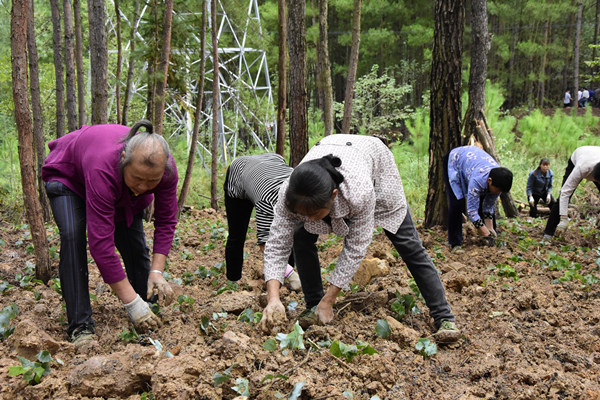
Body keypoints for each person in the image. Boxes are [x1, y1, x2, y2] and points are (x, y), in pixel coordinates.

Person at [259, 134, 460, 342]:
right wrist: (273, 298)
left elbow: (355, 247)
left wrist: (330, 299)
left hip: (376, 167)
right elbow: (276, 245)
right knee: (301, 234)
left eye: (314, 214)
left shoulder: (359, 192)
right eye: (303, 214)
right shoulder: (289, 193)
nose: (308, 219)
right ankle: (313, 305)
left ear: (334, 196)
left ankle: (444, 316)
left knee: (408, 244)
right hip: (331, 151)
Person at [42, 120, 178, 345]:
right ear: (124, 158)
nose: (143, 187)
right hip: (69, 177)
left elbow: (166, 220)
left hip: (118, 187)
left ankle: (146, 306)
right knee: (73, 235)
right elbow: (101, 246)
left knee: (133, 242)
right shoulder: (103, 167)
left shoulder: (165, 170)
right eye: (138, 178)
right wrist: (131, 304)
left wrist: (156, 271)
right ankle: (80, 326)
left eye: (151, 181)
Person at [224, 153, 301, 290]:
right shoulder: (268, 200)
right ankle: (233, 282)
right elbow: (266, 246)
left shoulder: (303, 184)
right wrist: (293, 275)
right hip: (239, 174)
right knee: (237, 235)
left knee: (291, 235)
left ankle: (285, 281)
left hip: (272, 161)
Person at [443, 145, 513, 251]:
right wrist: (486, 233)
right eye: (497, 190)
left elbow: (488, 207)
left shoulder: (499, 181)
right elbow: (471, 212)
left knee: (483, 203)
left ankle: (490, 239)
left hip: (472, 163)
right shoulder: (477, 181)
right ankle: (454, 243)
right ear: (489, 181)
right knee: (457, 203)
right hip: (455, 161)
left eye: (500, 192)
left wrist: (490, 228)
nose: (498, 193)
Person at [543, 146, 600, 239]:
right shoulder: (581, 169)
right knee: (563, 197)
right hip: (579, 157)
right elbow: (565, 193)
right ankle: (548, 233)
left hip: (594, 156)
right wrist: (564, 219)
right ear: (594, 177)